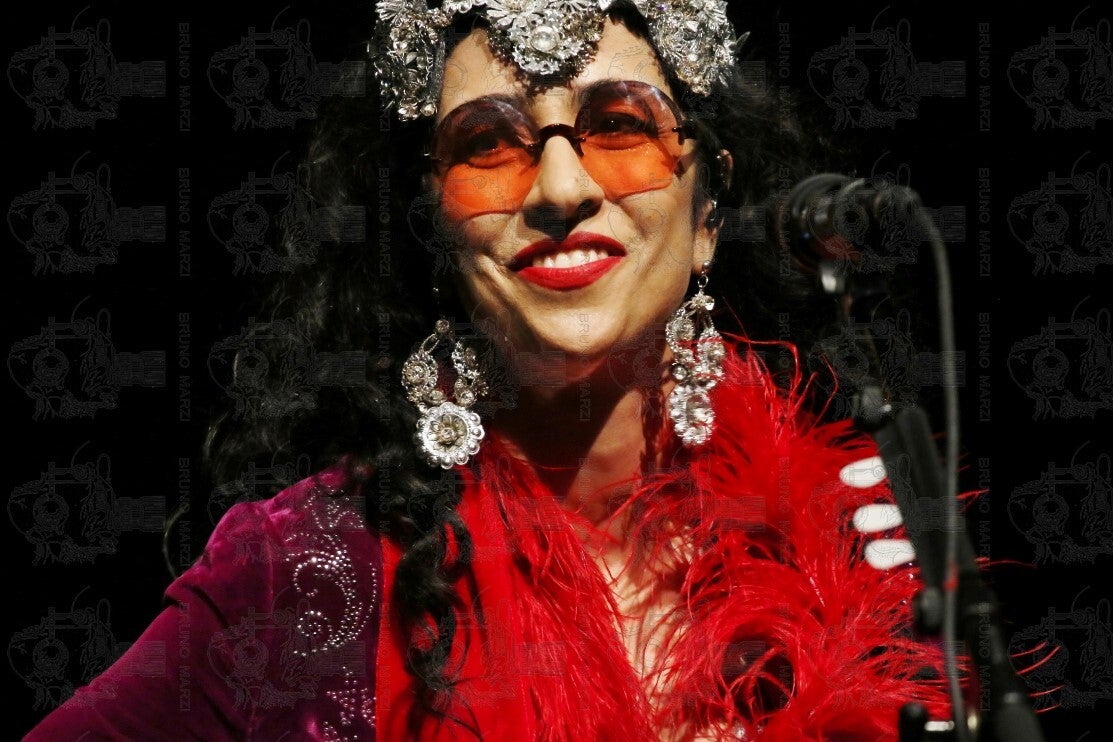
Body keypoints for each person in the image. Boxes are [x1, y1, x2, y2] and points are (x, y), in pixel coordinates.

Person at [26, 1, 953, 739]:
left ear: (707, 213)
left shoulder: (850, 535)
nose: (560, 189)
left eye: (618, 127)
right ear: (434, 234)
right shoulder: (306, 573)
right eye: (486, 146)